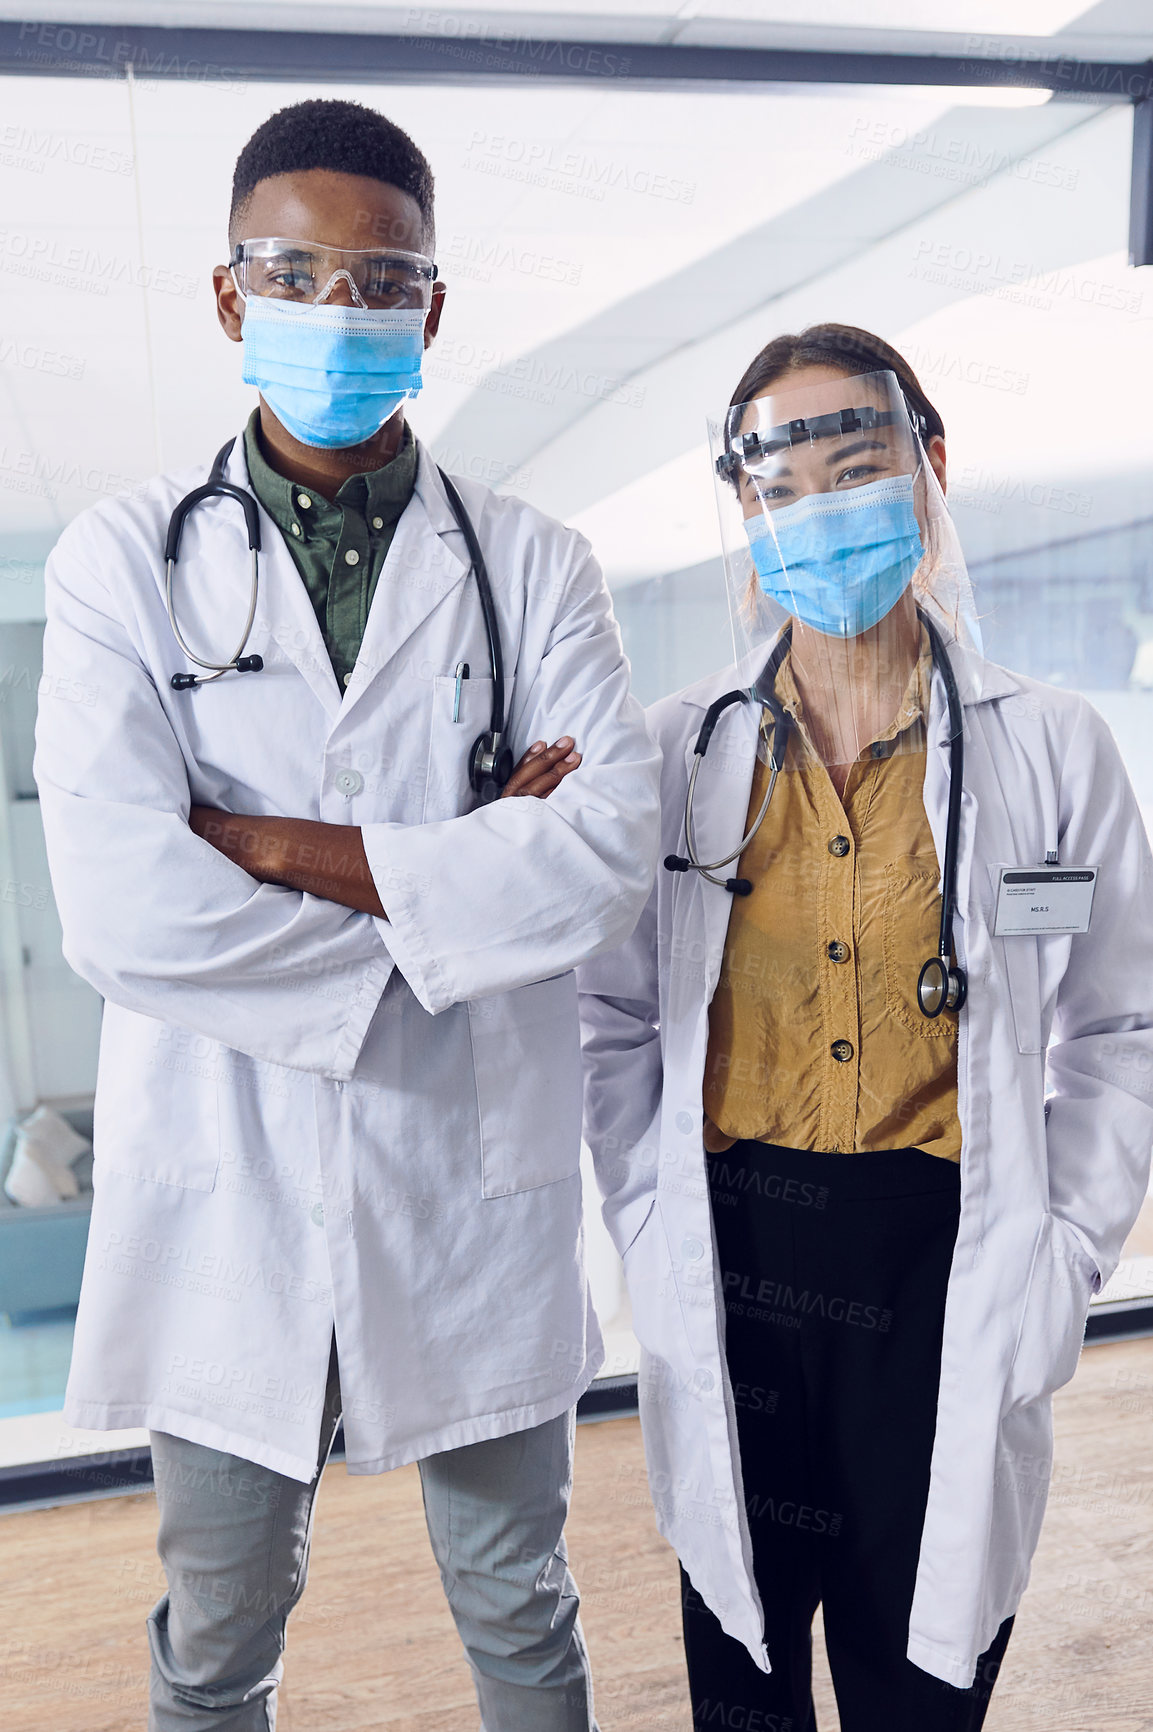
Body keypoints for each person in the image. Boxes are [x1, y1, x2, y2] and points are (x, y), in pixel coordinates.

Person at [34, 98, 659, 1731]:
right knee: (221, 1626)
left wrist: (264, 843)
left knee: (521, 1609)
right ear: (230, 297)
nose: (342, 310)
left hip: (468, 1181)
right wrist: (453, 878)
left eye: (383, 281)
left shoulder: (533, 566)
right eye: (295, 273)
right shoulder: (121, 563)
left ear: (433, 308)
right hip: (223, 1192)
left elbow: (598, 859)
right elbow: (120, 905)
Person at [578, 323, 1153, 1731]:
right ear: (746, 516)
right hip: (737, 1260)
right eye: (783, 488)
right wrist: (648, 1221)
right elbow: (602, 1022)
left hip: (943, 1260)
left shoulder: (1049, 745)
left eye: (857, 463)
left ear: (928, 469)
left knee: (918, 1687)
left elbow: (1117, 1027)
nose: (821, 510)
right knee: (747, 1677)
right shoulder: (674, 753)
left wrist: (1067, 1253)